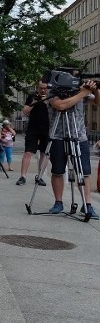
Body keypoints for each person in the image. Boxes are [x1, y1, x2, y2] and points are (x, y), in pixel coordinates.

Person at [46, 77, 99, 218]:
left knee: (84, 172)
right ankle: (58, 202)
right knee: (57, 170)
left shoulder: (80, 89)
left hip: (79, 136)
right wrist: (82, 94)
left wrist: (95, 89)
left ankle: (87, 205)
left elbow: (97, 102)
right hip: (57, 135)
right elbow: (61, 105)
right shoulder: (54, 91)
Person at [16, 81, 49, 186]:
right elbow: (25, 111)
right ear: (37, 88)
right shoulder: (32, 97)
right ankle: (23, 176)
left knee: (44, 154)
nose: (42, 90)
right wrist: (34, 101)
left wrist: (46, 102)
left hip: (47, 129)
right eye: (40, 88)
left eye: (45, 88)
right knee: (28, 152)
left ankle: (40, 176)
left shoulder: (52, 97)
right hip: (33, 128)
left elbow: (56, 110)